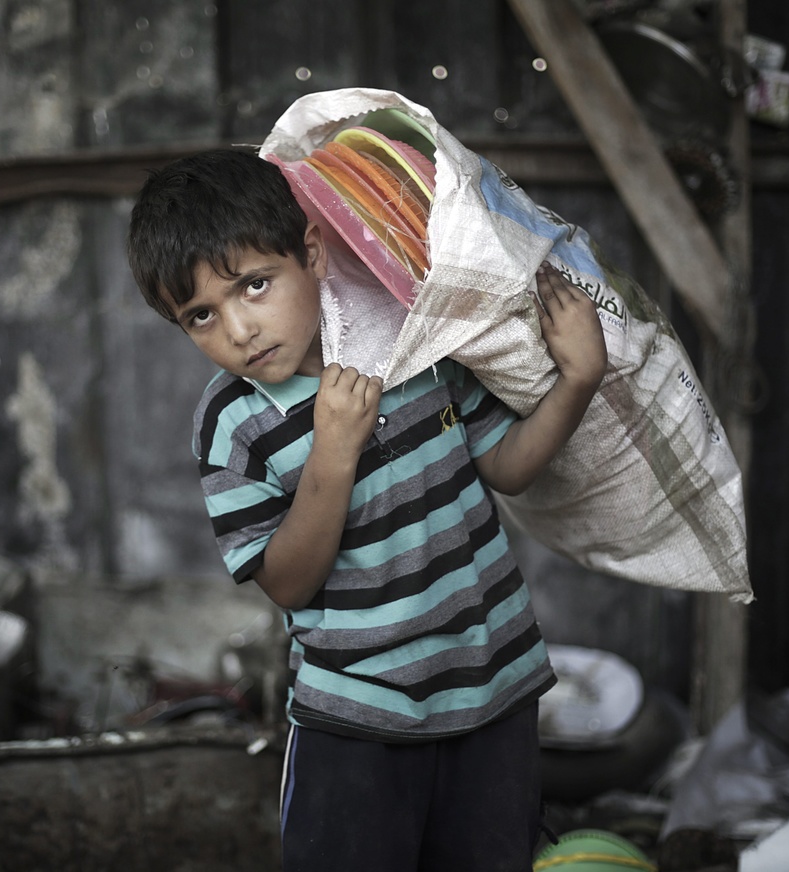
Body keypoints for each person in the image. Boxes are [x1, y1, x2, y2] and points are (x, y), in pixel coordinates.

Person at [127, 147, 607, 872]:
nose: (238, 329)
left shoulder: (414, 339)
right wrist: (333, 450)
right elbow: (289, 583)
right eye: (200, 315)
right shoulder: (232, 424)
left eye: (255, 285)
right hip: (357, 721)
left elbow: (505, 467)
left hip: (493, 691)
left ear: (311, 253)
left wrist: (576, 380)